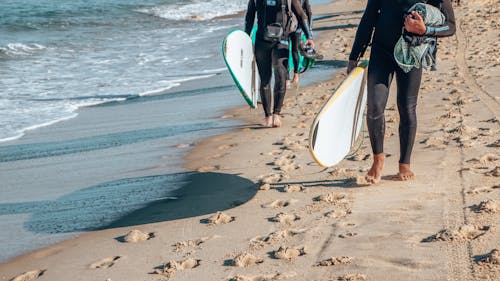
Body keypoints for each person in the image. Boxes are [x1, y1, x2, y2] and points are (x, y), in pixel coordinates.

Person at [347, 0, 455, 183]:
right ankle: (378, 160)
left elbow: (451, 26)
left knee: (406, 107)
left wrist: (425, 30)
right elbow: (369, 18)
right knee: (374, 107)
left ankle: (404, 164)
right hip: (381, 52)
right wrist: (354, 55)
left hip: (412, 52)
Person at [245, 0, 315, 127]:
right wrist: (245, 37)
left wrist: (309, 36)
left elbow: (300, 14)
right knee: (265, 79)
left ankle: (276, 114)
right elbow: (250, 15)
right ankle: (268, 115)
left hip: (281, 40)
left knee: (281, 76)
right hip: (262, 41)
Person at [289, 0, 312, 87]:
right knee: (294, 51)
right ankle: (295, 75)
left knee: (291, 51)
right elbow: (308, 12)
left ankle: (293, 75)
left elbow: (308, 12)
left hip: (290, 26)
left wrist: (309, 32)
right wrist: (309, 32)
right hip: (297, 26)